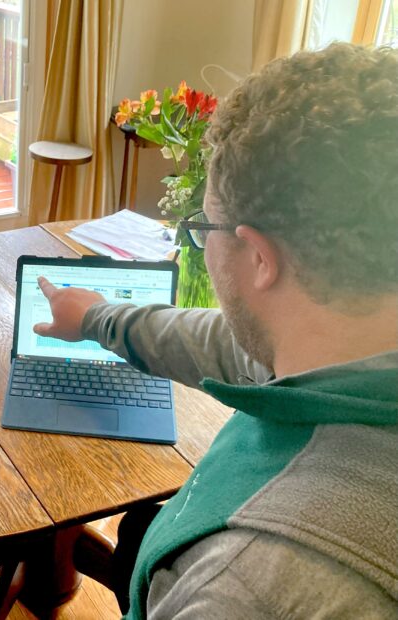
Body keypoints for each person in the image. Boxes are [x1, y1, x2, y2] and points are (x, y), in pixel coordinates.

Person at [35, 43, 398, 618]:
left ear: (258, 255)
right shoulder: (347, 346)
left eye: (206, 228)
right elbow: (223, 342)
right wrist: (98, 318)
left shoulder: (242, 586)